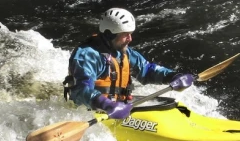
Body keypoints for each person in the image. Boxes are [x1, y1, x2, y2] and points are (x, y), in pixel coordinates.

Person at [63, 8, 194, 119]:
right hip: (94, 111)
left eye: (130, 34)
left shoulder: (124, 52)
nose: (130, 39)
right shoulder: (88, 55)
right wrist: (106, 105)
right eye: (125, 34)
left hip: (119, 106)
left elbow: (147, 70)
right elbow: (81, 90)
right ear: (109, 35)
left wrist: (174, 76)